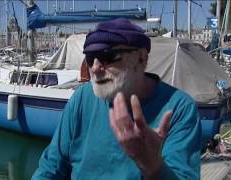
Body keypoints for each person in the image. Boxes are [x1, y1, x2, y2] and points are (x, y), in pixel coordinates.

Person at [32, 18, 201, 179]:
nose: (96, 68)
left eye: (108, 56)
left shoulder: (179, 108)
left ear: (141, 58)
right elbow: (50, 168)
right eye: (90, 59)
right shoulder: (82, 98)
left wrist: (154, 167)